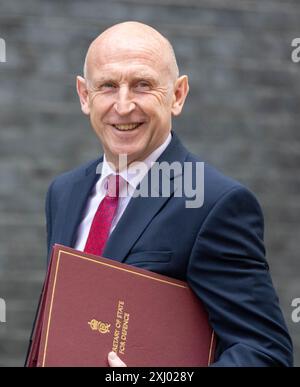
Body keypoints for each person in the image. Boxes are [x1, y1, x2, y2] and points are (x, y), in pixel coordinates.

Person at [45, 21, 293, 367]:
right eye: (108, 85)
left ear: (177, 95)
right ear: (85, 95)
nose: (124, 104)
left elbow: (266, 353)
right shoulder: (64, 192)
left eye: (142, 85)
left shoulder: (215, 203)